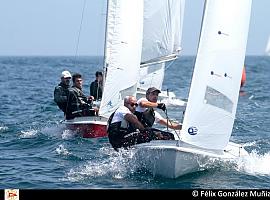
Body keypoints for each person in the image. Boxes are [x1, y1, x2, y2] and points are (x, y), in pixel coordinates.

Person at [107, 96, 174, 151]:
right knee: (150, 133)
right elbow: (135, 122)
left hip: (119, 141)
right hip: (119, 140)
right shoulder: (122, 109)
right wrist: (149, 132)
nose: (134, 107)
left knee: (148, 134)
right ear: (125, 104)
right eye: (132, 105)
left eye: (136, 105)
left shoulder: (125, 113)